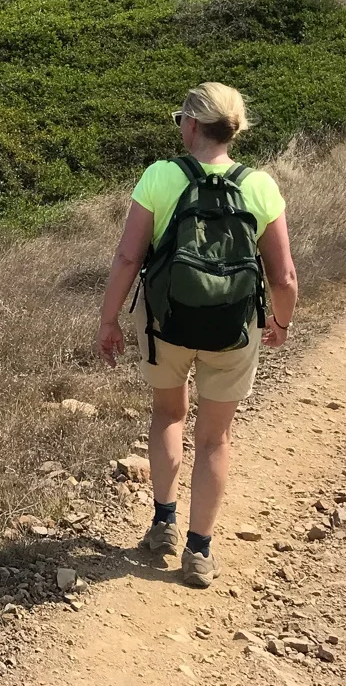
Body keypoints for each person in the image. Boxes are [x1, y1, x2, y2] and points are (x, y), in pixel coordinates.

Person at [96, 82, 298, 587]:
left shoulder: (160, 177)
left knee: (168, 413)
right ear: (234, 129)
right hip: (233, 330)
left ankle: (162, 524)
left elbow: (127, 257)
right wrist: (280, 322)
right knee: (214, 439)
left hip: (166, 324)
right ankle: (199, 552)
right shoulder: (260, 186)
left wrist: (108, 319)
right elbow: (284, 277)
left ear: (190, 124)